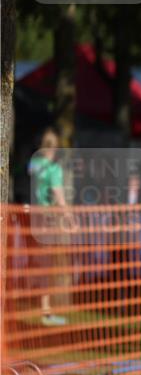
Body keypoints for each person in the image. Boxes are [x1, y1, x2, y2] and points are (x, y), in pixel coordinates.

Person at [27, 127, 69, 326]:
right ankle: (45, 312)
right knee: (45, 265)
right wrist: (70, 217)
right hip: (47, 218)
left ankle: (40, 308)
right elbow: (59, 197)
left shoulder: (34, 164)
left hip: (30, 216)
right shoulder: (53, 169)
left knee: (34, 262)